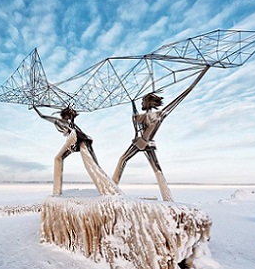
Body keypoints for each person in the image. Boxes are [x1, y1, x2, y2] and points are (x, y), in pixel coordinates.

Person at [111, 66, 209, 202]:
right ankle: (167, 197)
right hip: (147, 144)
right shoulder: (151, 116)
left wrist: (194, 83)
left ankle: (111, 189)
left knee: (123, 159)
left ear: (147, 102)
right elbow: (138, 122)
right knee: (157, 169)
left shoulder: (157, 115)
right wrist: (135, 114)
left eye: (142, 101)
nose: (141, 103)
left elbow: (177, 99)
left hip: (141, 143)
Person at [33, 105, 120, 196]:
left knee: (91, 165)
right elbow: (44, 117)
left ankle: (107, 189)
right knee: (90, 165)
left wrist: (35, 108)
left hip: (78, 140)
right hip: (79, 141)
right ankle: (57, 192)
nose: (66, 118)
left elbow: (43, 116)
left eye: (67, 116)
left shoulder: (66, 123)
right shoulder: (69, 124)